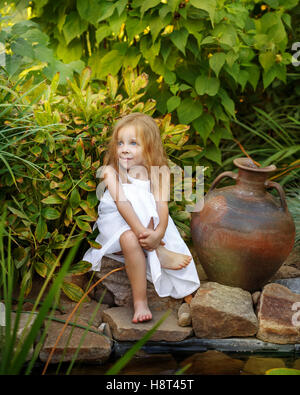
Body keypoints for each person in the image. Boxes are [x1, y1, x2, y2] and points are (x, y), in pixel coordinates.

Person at [82, 113, 200, 323]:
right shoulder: (111, 171)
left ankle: (141, 295)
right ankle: (144, 290)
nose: (124, 148)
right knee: (133, 207)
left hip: (137, 235)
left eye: (133, 143)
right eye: (120, 143)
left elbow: (163, 207)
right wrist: (152, 242)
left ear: (149, 147)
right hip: (115, 227)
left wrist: (159, 233)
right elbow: (122, 204)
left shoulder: (158, 173)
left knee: (135, 232)